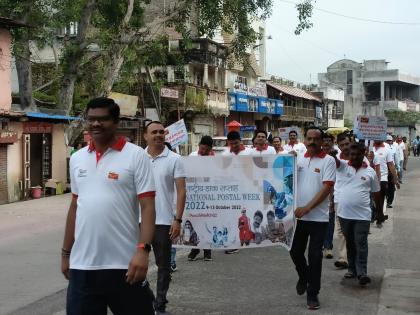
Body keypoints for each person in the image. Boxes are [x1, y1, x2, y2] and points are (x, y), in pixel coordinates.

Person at [62, 97, 156, 315]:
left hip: (125, 265)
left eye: (102, 119)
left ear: (116, 122)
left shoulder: (136, 156)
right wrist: (66, 254)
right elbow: (76, 207)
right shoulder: (77, 159)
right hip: (83, 268)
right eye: (91, 119)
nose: (96, 124)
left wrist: (143, 251)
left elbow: (148, 207)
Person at [142, 121, 186, 314]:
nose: (158, 135)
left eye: (161, 132)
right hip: (139, 221)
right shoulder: (137, 158)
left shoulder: (175, 159)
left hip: (163, 222)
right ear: (146, 136)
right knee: (135, 264)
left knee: (164, 267)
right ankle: (146, 298)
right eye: (154, 132)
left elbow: (181, 191)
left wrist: (177, 219)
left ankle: (160, 304)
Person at [290, 126, 336, 310]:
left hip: (319, 218)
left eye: (316, 139)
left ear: (322, 141)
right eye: (309, 138)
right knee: (295, 252)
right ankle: (304, 275)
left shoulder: (329, 161)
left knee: (315, 256)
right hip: (298, 218)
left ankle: (312, 293)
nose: (312, 142)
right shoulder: (298, 159)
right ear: (305, 139)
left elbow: (326, 189)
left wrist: (307, 208)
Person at [336, 143, 381, 286]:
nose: (354, 157)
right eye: (352, 154)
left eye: (357, 154)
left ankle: (362, 272)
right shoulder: (343, 166)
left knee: (360, 242)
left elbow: (376, 193)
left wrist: (379, 211)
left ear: (364, 154)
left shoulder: (370, 172)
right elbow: (335, 161)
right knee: (350, 242)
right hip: (344, 214)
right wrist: (331, 152)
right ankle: (352, 269)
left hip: (362, 215)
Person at [222, 131, 251, 254]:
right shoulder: (224, 154)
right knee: (232, 217)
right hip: (231, 192)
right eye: (231, 143)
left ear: (240, 141)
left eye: (236, 143)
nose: (233, 146)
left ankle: (246, 238)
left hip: (247, 191)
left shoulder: (250, 153)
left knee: (244, 218)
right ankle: (234, 241)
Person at [188, 136, 214, 261]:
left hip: (208, 196)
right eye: (202, 149)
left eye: (207, 150)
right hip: (194, 195)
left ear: (211, 149)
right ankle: (195, 248)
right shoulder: (192, 156)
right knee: (194, 223)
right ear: (199, 145)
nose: (204, 152)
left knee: (207, 223)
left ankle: (207, 251)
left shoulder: (214, 159)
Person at [372, 139, 399, 228]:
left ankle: (379, 218)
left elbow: (391, 164)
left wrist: (395, 178)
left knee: (380, 198)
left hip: (382, 178)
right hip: (369, 177)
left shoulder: (387, 150)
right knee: (372, 199)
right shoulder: (369, 148)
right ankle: (377, 215)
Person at [321, 134, 336, 259]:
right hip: (318, 192)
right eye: (324, 140)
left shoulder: (337, 155)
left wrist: (332, 197)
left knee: (330, 220)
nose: (326, 142)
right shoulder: (316, 155)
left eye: (328, 140)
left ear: (332, 142)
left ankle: (328, 246)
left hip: (333, 191)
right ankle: (320, 244)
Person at [386, 135, 399, 209]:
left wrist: (397, 168)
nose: (388, 142)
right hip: (384, 169)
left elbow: (396, 159)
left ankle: (389, 202)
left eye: (389, 140)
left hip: (392, 169)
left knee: (391, 186)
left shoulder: (394, 148)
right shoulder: (382, 148)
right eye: (387, 140)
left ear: (392, 141)